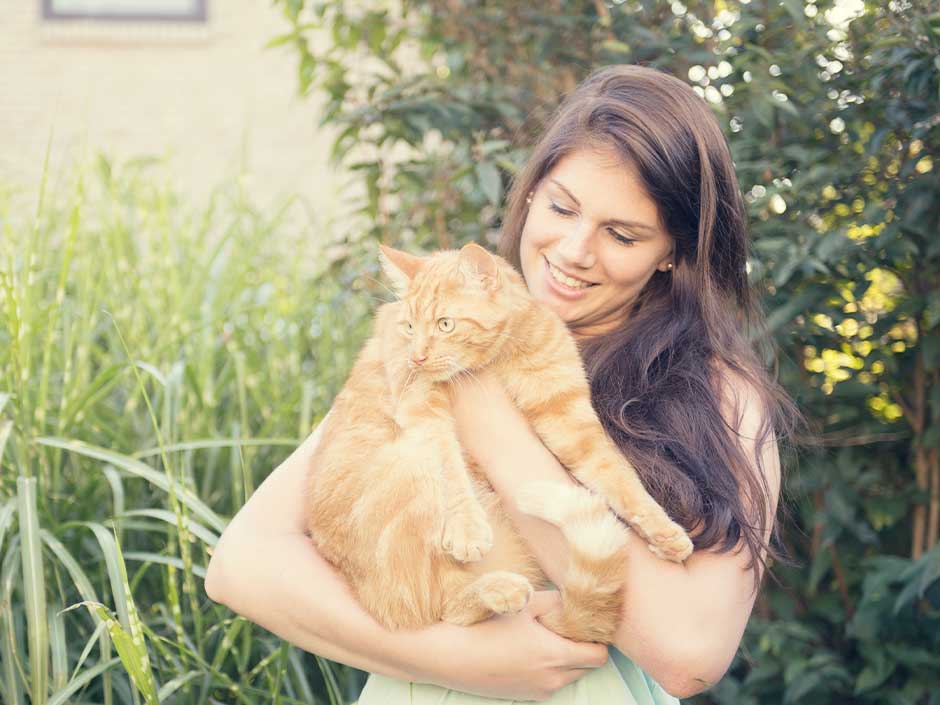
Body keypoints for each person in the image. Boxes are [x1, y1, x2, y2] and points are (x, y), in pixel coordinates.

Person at [204, 63, 798, 703]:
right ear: (531, 193)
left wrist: (487, 411)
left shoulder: (719, 396)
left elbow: (690, 656)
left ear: (674, 252)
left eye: (621, 234)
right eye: (561, 207)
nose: (573, 250)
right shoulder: (438, 332)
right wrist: (454, 659)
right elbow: (243, 563)